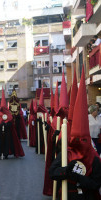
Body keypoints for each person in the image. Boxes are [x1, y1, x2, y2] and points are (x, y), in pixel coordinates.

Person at [49, 70, 101, 199]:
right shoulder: (67, 153)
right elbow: (53, 172)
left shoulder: (94, 157)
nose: (79, 142)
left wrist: (78, 177)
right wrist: (66, 171)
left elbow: (97, 184)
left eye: (83, 139)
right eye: (76, 138)